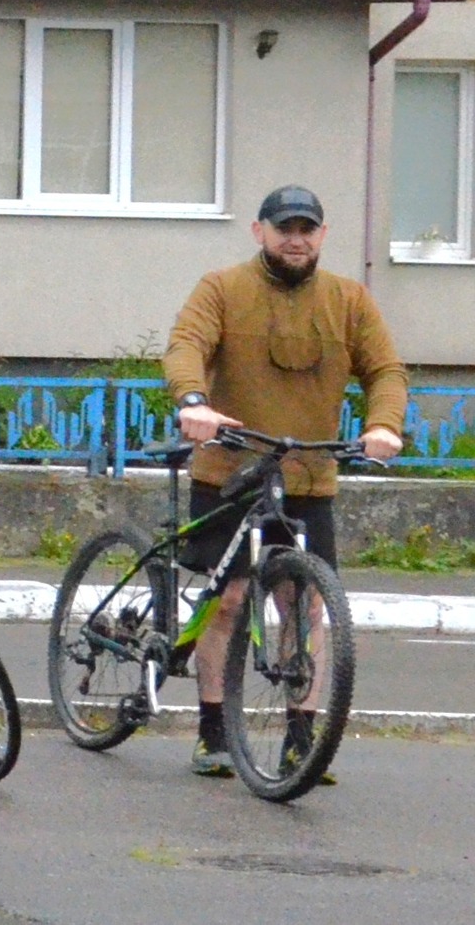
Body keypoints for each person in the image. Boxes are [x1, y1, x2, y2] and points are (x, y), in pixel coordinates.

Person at [163, 184, 408, 780]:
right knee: (229, 601)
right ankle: (213, 732)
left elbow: (385, 370)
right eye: (284, 229)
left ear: (322, 236)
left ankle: (301, 742)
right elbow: (187, 344)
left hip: (307, 478)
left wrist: (384, 424)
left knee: (305, 605)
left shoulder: (349, 300)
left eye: (306, 230)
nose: (295, 240)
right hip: (231, 472)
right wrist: (193, 401)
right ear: (260, 232)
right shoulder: (222, 288)